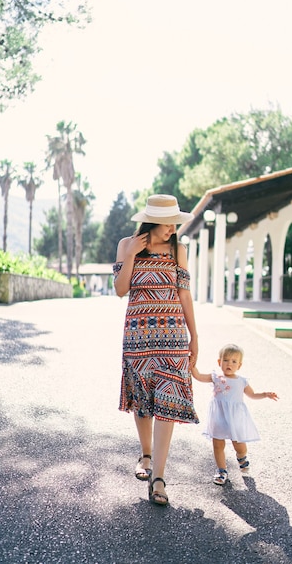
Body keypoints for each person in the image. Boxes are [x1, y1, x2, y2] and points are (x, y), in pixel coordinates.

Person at [113, 194, 199, 506]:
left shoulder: (179, 249)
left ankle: (159, 477)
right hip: (138, 334)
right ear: (152, 219)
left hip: (173, 335)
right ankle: (146, 455)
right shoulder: (127, 244)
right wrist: (133, 255)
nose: (174, 229)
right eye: (169, 223)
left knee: (168, 399)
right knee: (142, 399)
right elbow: (121, 289)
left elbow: (185, 295)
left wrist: (195, 336)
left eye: (177, 223)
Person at [191, 343, 278, 485]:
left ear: (239, 365)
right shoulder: (215, 377)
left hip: (235, 418)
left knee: (239, 445)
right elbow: (199, 376)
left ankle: (242, 457)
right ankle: (221, 470)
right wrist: (192, 366)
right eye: (225, 360)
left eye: (233, 361)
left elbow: (252, 394)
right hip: (218, 417)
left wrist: (265, 394)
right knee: (218, 445)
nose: (229, 364)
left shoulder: (241, 381)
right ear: (219, 362)